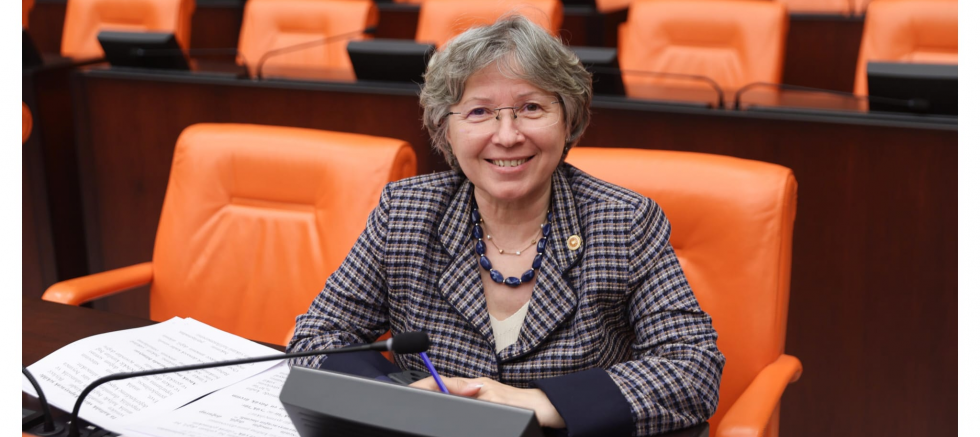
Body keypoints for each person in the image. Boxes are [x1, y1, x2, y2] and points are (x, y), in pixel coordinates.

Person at [288, 15, 724, 436]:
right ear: (446, 129)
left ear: (569, 120)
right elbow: (317, 337)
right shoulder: (405, 212)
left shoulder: (623, 222)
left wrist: (539, 402)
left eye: (531, 107)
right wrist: (398, 398)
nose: (507, 135)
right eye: (479, 111)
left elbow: (693, 367)